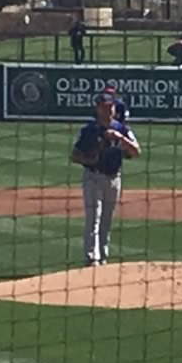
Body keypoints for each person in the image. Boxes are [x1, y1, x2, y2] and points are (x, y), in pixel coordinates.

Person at [70, 87, 139, 267]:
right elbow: (74, 155)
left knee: (107, 219)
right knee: (94, 217)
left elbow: (136, 151)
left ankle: (103, 256)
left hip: (114, 178)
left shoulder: (122, 129)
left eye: (110, 106)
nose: (108, 109)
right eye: (104, 106)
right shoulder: (89, 130)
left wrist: (119, 138)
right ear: (97, 108)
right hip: (94, 177)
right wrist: (90, 159)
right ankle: (92, 257)